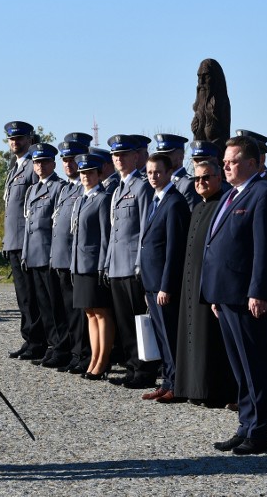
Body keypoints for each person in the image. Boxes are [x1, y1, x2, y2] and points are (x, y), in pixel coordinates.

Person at [203, 135, 267, 455]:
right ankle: (245, 425)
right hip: (226, 294)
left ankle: (260, 432)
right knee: (240, 367)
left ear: (252, 162)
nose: (226, 166)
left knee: (256, 366)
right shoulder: (231, 194)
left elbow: (263, 250)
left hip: (247, 296)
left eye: (232, 161)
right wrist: (214, 294)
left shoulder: (264, 193)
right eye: (225, 161)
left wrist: (258, 291)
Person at [174, 160, 236, 406]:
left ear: (219, 179)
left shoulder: (222, 204)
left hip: (210, 282)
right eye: (197, 179)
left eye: (206, 178)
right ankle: (194, 387)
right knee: (191, 335)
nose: (200, 183)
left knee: (210, 338)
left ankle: (213, 390)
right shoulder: (198, 207)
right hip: (191, 280)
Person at [103, 134, 158, 389]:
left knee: (138, 321)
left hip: (132, 266)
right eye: (115, 155)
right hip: (116, 266)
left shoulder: (142, 187)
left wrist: (139, 264)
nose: (119, 159)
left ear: (135, 157)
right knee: (124, 322)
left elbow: (145, 229)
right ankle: (131, 366)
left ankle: (145, 370)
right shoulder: (117, 189)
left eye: (123, 155)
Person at [139, 153, 191, 403]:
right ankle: (167, 380)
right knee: (161, 336)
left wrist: (166, 286)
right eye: (149, 172)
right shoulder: (155, 200)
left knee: (171, 337)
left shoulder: (174, 202)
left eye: (158, 172)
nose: (153, 177)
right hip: (152, 282)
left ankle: (177, 385)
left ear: (169, 172)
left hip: (164, 285)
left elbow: (174, 250)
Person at [21, 143, 69, 369]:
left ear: (53, 163)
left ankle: (61, 345)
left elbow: (57, 224)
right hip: (33, 254)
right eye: (36, 162)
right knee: (42, 306)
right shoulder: (32, 189)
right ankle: (51, 344)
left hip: (48, 253)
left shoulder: (58, 187)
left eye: (44, 162)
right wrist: (24, 252)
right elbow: (29, 224)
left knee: (55, 304)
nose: (39, 166)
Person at [50, 139, 92, 375]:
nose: (68, 164)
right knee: (64, 310)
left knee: (78, 313)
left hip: (74, 258)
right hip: (60, 257)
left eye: (72, 160)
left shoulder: (83, 189)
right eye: (65, 160)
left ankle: (81, 353)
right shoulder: (66, 188)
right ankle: (69, 351)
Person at [2, 121, 44, 361]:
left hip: (26, 240)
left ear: (30, 139)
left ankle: (37, 340)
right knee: (22, 295)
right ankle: (29, 338)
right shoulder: (14, 167)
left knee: (31, 294)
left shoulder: (32, 167)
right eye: (11, 139)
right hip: (14, 241)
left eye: (19, 138)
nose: (15, 143)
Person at [71, 153, 114, 380]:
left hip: (94, 264)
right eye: (82, 173)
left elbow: (106, 236)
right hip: (80, 265)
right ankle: (93, 359)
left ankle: (102, 361)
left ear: (99, 174)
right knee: (89, 313)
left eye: (90, 173)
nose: (85, 177)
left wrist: (102, 266)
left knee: (101, 313)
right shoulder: (81, 199)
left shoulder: (103, 199)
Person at [154, 133, 199, 210]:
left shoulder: (188, 184)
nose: (163, 159)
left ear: (181, 156)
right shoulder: (159, 181)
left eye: (167, 154)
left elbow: (191, 217)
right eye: (160, 156)